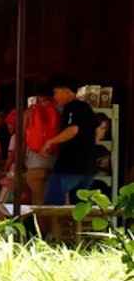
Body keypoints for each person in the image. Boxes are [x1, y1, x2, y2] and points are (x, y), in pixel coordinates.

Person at [42, 77, 97, 205]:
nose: (55, 97)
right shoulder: (87, 108)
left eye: (56, 93)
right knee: (79, 207)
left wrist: (50, 142)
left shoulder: (73, 107)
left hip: (71, 166)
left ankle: (56, 226)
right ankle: (74, 226)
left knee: (53, 201)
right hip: (88, 168)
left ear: (67, 91)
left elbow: (73, 129)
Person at [24, 86, 59, 205]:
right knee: (54, 204)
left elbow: (21, 140)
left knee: (39, 204)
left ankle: (43, 224)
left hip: (34, 165)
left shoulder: (29, 112)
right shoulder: (59, 110)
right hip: (55, 165)